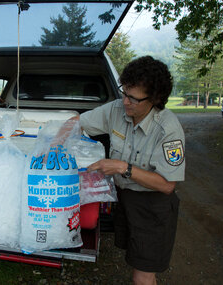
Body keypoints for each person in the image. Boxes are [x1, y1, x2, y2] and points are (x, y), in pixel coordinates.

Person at [66, 56, 185, 285]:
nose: (126, 102)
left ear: (156, 99)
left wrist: (122, 167)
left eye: (134, 98)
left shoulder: (168, 129)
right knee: (138, 261)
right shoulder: (117, 109)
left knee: (143, 274)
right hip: (125, 198)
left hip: (154, 206)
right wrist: (53, 144)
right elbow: (77, 122)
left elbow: (167, 185)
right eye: (124, 92)